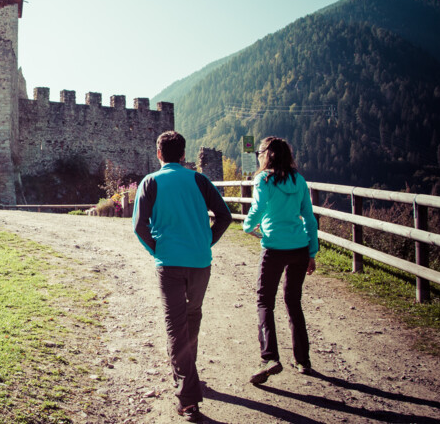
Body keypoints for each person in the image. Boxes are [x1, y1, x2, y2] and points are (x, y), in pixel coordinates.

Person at [133, 131, 232, 422]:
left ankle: (188, 399)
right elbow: (224, 216)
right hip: (201, 263)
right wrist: (206, 242)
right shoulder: (199, 180)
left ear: (159, 154)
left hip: (170, 264)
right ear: (183, 155)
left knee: (176, 327)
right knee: (192, 317)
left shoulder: (150, 182)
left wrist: (158, 250)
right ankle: (188, 377)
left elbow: (139, 226)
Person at [242, 136, 319, 385]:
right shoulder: (299, 180)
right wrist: (312, 253)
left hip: (274, 247)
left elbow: (258, 208)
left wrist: (247, 226)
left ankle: (270, 357)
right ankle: (303, 361)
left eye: (260, 153)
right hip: (299, 247)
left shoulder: (263, 179)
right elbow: (309, 217)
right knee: (293, 302)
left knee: (265, 301)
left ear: (266, 155)